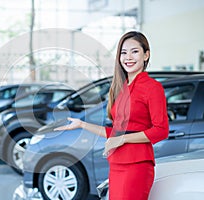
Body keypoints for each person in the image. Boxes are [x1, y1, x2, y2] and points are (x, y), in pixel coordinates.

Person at [54, 31, 169, 200]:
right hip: (116, 164)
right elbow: (116, 133)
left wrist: (122, 139)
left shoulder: (153, 88)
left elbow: (161, 130)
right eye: (123, 52)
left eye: (134, 51)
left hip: (136, 165)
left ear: (146, 55)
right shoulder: (120, 89)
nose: (128, 57)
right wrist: (82, 124)